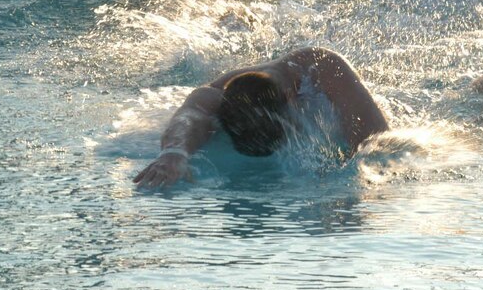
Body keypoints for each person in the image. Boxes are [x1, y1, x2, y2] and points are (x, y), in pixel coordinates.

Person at [132, 47, 390, 188]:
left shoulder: (324, 71)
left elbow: (379, 142)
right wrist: (173, 154)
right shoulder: (213, 96)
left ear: (291, 103)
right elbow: (188, 118)